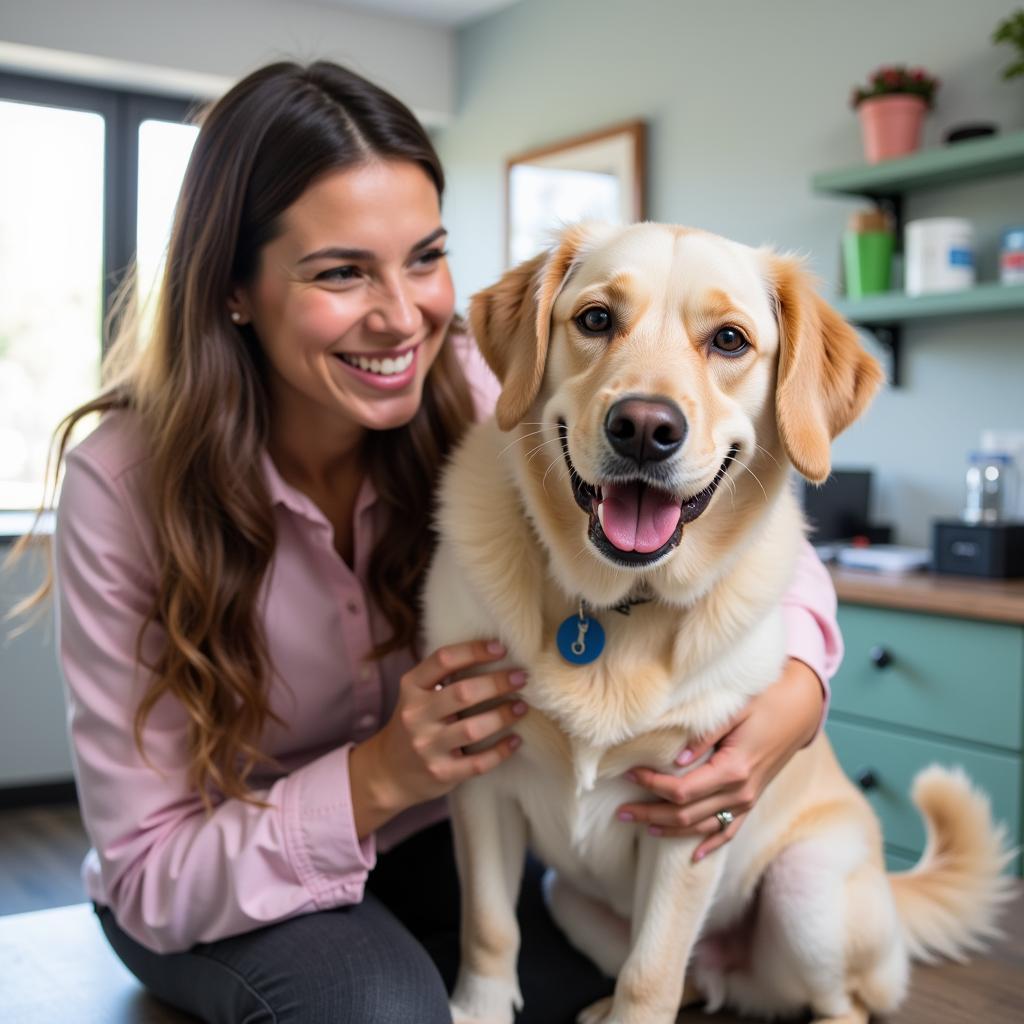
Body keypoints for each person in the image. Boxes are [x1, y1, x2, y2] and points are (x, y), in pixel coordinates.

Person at [28, 61, 842, 1023]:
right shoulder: (124, 482)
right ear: (235, 288)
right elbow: (151, 869)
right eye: (340, 271)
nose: (403, 314)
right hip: (210, 877)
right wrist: (379, 775)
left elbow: (745, 540)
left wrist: (797, 690)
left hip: (440, 835)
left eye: (425, 257)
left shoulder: (479, 378)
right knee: (381, 1009)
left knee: (589, 977)